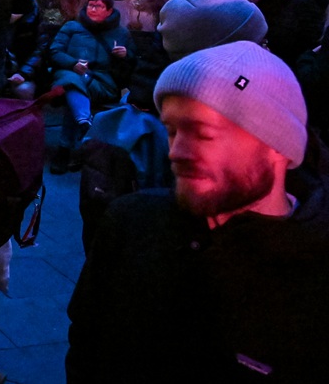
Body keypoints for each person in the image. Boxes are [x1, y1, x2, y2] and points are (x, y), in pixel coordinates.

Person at [67, 41, 329, 383]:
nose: (176, 151)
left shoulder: (315, 272)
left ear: (278, 145)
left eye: (203, 134)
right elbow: (86, 341)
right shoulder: (130, 222)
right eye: (172, 131)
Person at [48, 0, 135, 174]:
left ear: (109, 11)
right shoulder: (72, 27)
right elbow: (55, 52)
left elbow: (133, 64)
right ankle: (83, 129)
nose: (93, 9)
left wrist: (126, 55)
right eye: (91, 4)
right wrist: (73, 63)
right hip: (70, 73)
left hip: (101, 82)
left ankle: (66, 148)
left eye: (99, 6)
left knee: (74, 88)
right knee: (73, 80)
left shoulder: (120, 33)